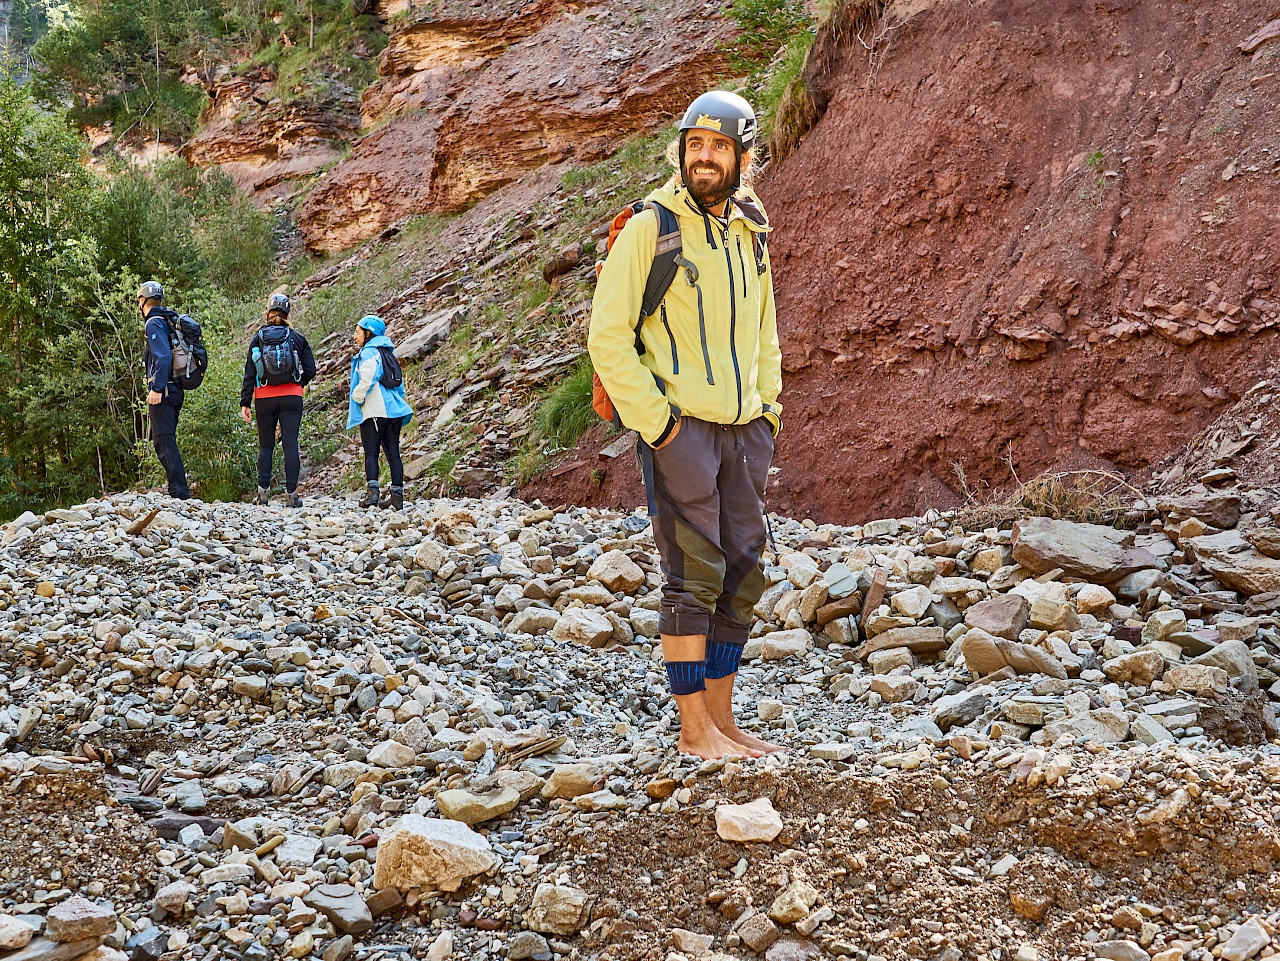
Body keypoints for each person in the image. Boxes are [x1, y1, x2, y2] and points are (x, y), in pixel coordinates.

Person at [588, 91, 783, 760]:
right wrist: (661, 427)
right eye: (695, 144)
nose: (704, 156)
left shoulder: (751, 230)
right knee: (692, 577)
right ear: (681, 149)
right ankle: (693, 729)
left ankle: (723, 722)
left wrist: (769, 414)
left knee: (742, 573)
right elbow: (607, 337)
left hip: (744, 432)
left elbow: (766, 332)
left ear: (743, 157)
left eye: (719, 146)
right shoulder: (652, 226)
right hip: (682, 431)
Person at [240, 293, 316, 507]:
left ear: (267, 314)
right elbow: (311, 369)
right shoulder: (297, 337)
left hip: (264, 397)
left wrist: (245, 402)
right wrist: (297, 384)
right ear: (287, 315)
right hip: (292, 396)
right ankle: (292, 495)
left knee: (266, 445)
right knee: (291, 442)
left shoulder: (258, 338)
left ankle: (263, 494)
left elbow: (249, 372)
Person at [347, 315, 413, 510]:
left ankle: (372, 495)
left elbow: (368, 377)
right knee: (393, 452)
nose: (354, 336)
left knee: (371, 453)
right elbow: (399, 387)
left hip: (375, 410)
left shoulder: (369, 353)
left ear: (369, 333)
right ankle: (397, 496)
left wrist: (357, 397)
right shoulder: (388, 354)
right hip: (395, 410)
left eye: (358, 332)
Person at [140, 280, 191, 500]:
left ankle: (179, 493)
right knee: (166, 439)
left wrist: (157, 388)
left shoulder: (153, 322)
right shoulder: (168, 320)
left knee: (163, 440)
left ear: (143, 301)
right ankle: (178, 489)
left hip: (165, 389)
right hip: (177, 388)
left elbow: (163, 356)